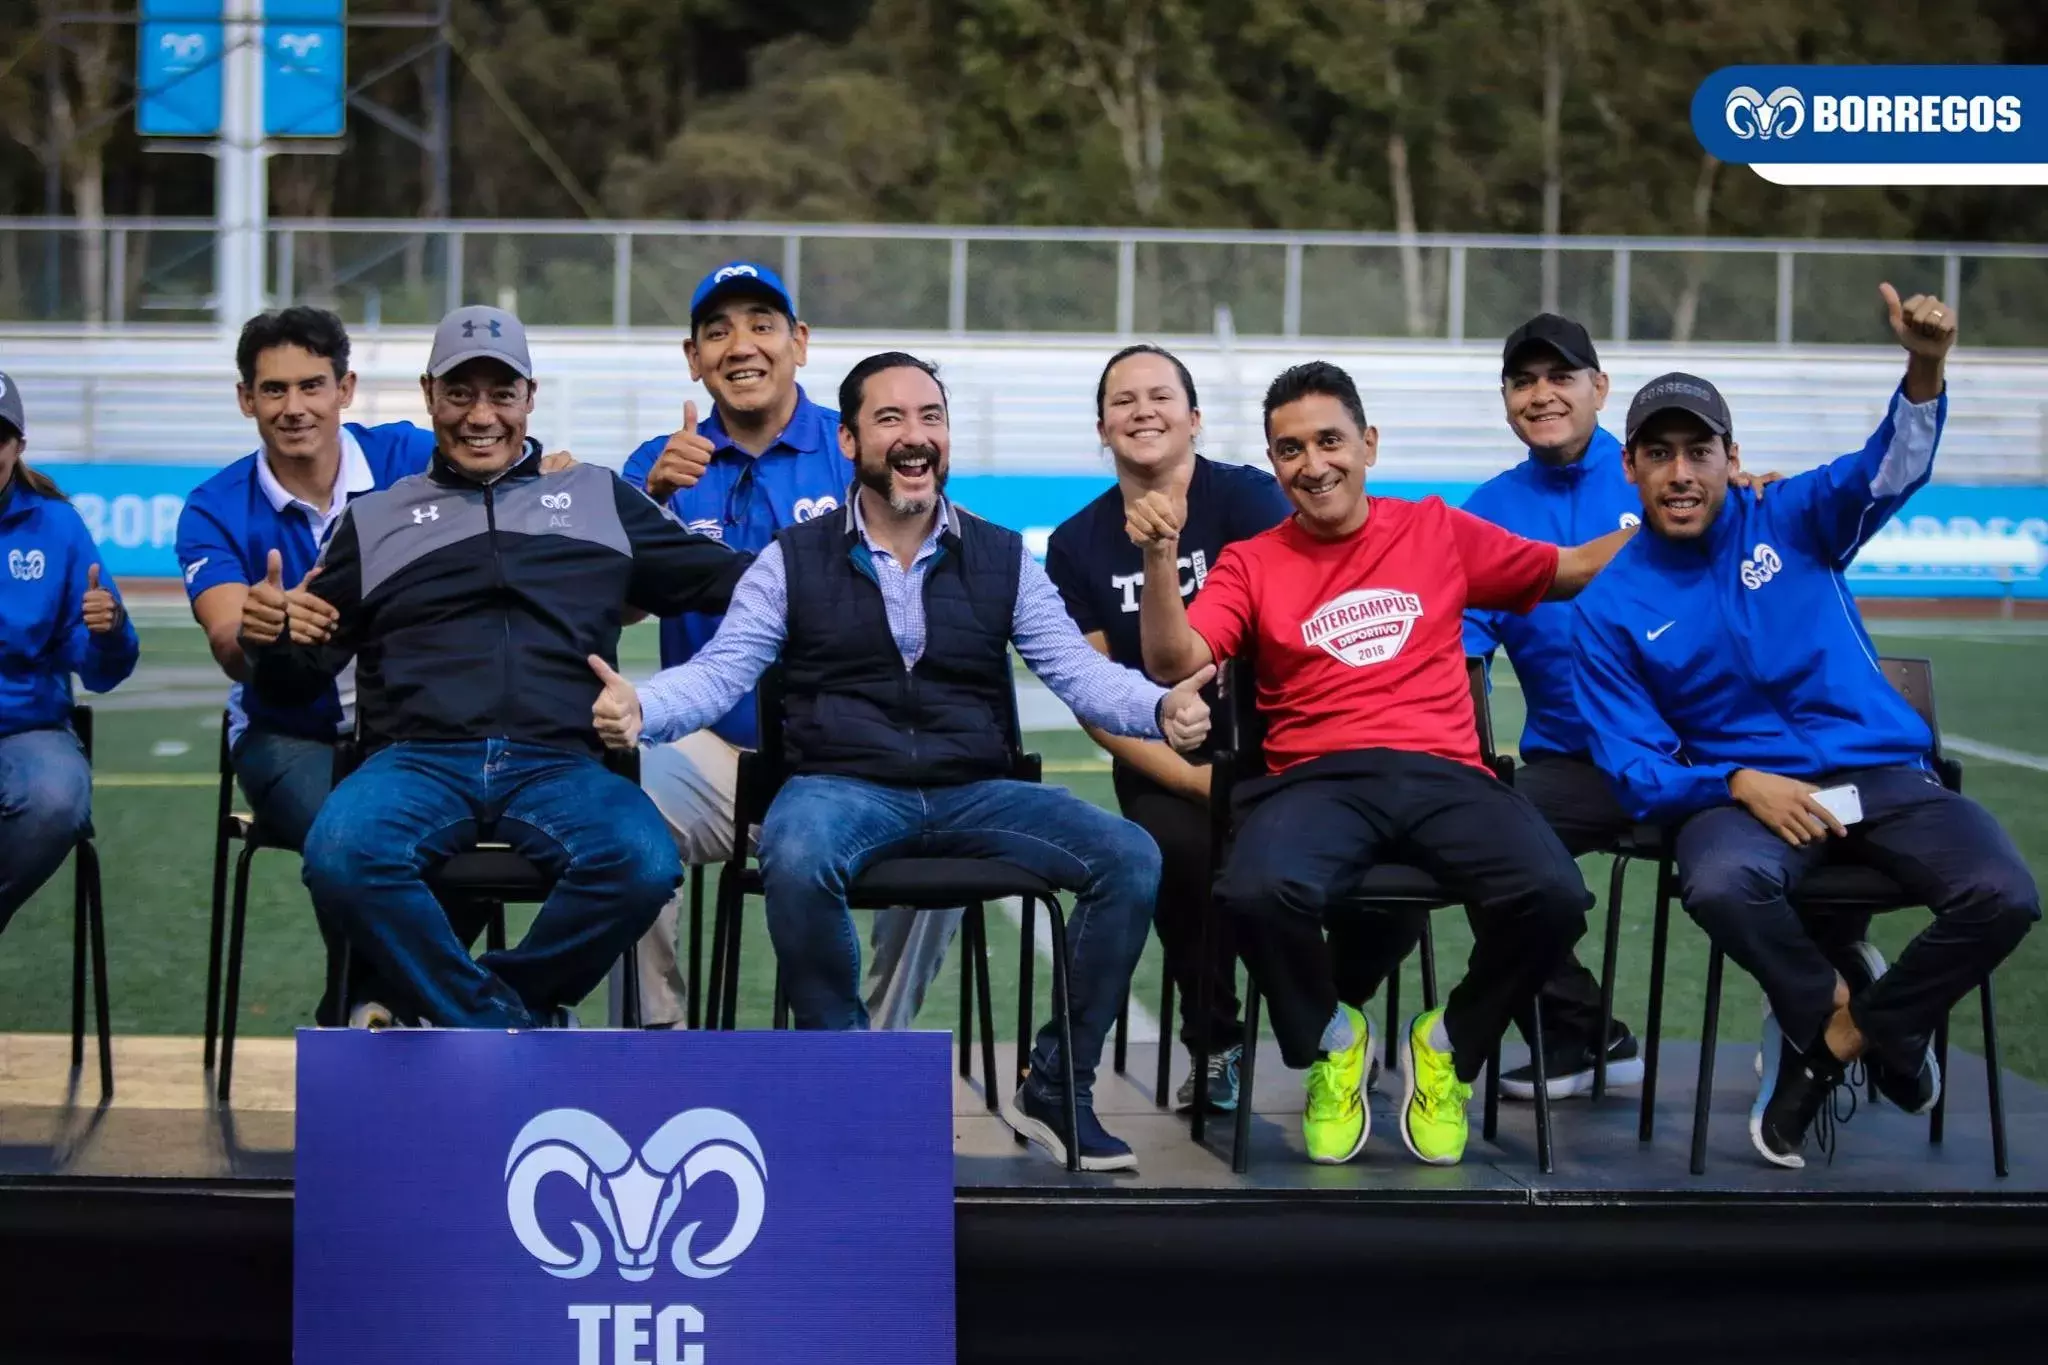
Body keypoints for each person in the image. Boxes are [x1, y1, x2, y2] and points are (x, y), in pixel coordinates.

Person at [589, 351, 1213, 1172]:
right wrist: (645, 708)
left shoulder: (1001, 557)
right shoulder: (791, 558)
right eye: (890, 420)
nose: (915, 437)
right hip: (841, 786)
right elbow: (721, 671)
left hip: (974, 789)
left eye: (930, 418)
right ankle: (847, 1075)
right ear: (848, 440)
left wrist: (1158, 706)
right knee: (796, 846)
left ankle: (1059, 1084)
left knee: (1130, 854)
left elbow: (1078, 671)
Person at [1571, 284, 2038, 1169]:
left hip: (1885, 777)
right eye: (1659, 454)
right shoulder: (1610, 607)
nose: (1682, 472)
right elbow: (1632, 764)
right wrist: (1736, 781)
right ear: (1628, 468)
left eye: (1699, 451)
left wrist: (1926, 365)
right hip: (1746, 799)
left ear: (1730, 455)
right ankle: (1839, 1001)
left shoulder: (1792, 514)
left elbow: (1890, 469)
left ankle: (1844, 1040)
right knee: (1718, 883)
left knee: (2004, 892)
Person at [1133, 361, 1630, 1168]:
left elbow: (1567, 570)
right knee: (1252, 890)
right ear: (1273, 463)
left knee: (1554, 894)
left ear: (1368, 444)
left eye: (1330, 440)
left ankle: (1451, 1044)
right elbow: (1171, 657)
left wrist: (1686, 513)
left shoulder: (1436, 528)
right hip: (1315, 780)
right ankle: (1334, 1037)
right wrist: (1161, 556)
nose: (1313, 463)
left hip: (1446, 773)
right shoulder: (1252, 561)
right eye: (1289, 449)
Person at [244, 305, 749, 1029]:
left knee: (641, 863)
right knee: (342, 852)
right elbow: (298, 676)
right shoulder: (376, 518)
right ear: (428, 396)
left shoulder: (597, 498)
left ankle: (470, 1011)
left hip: (561, 761)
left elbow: (733, 581)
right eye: (460, 392)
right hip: (415, 759)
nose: (481, 415)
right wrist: (274, 637)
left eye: (501, 393)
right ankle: (505, 1025)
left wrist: (842, 556)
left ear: (529, 400)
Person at [617, 261, 956, 1031]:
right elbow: (626, 608)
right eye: (718, 330)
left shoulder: (854, 448)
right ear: (693, 357)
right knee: (614, 810)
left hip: (845, 749)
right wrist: (652, 503)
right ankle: (653, 1041)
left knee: (942, 835)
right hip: (711, 751)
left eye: (763, 324)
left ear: (799, 342)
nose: (742, 345)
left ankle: (869, 1047)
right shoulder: (659, 463)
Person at [1462, 315, 1789, 1101]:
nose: (1542, 394)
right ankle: (1584, 1036)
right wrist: (1469, 764)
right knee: (1474, 846)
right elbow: (1465, 649)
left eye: (1561, 376)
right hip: (1576, 763)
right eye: (1523, 380)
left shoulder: (1663, 474)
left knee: (1780, 849)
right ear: (1507, 399)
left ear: (1599, 389)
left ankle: (1828, 987)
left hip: (1709, 757)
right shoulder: (1486, 509)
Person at [1045, 343, 1291, 1113]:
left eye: (1160, 397)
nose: (1142, 411)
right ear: (1101, 425)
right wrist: (1191, 775)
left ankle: (1329, 1024)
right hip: (1161, 757)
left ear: (1194, 417)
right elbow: (1092, 692)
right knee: (1176, 854)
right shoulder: (1076, 543)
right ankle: (1214, 1042)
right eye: (1124, 400)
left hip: (1280, 744)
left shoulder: (1252, 502)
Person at [0, 371, 139, 933]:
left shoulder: (55, 525)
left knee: (57, 800)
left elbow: (105, 671)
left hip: (27, 728)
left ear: (18, 448)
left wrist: (109, 630)